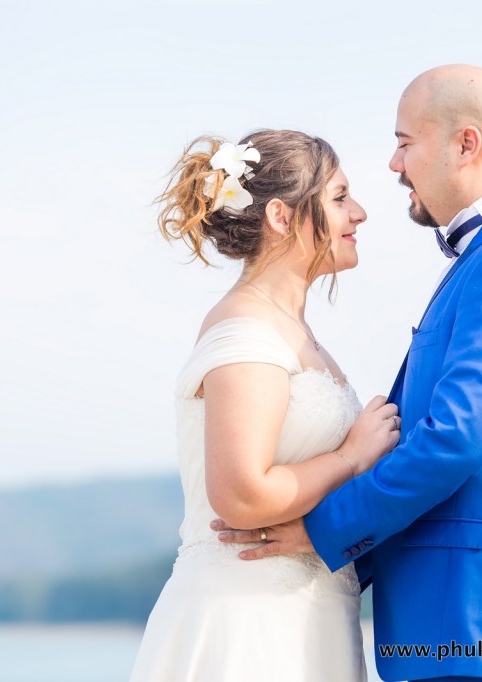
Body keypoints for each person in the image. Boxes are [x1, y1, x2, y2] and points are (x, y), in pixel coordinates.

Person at [217, 65, 482, 681]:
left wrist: (324, 531)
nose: (394, 165)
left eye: (404, 142)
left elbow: (455, 438)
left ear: (465, 144)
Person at [129, 129, 401, 681]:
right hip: (248, 625)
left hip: (309, 619)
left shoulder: (292, 330)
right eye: (340, 198)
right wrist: (351, 458)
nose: (361, 213)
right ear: (282, 216)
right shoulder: (246, 329)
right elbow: (240, 494)